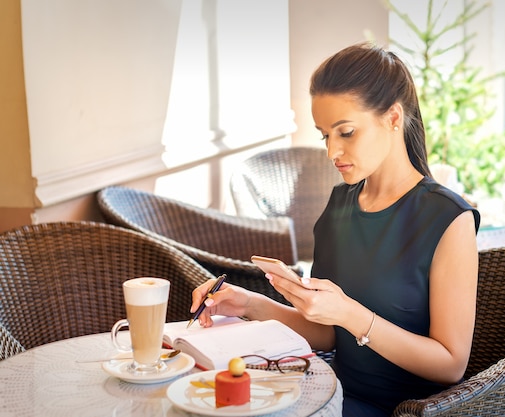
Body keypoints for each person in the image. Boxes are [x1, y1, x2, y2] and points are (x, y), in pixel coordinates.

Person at [191, 42, 481, 416]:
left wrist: (351, 314)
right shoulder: (339, 206)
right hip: (330, 396)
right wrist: (249, 303)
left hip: (405, 409)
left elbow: (450, 364)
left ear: (393, 118)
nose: (332, 152)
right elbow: (328, 332)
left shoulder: (448, 219)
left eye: (346, 132)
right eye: (325, 135)